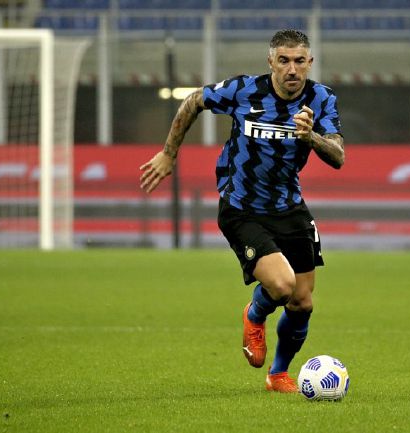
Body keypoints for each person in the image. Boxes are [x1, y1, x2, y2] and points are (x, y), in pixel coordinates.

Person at [139, 29, 344, 393]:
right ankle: (254, 313)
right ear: (271, 63)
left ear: (310, 63)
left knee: (302, 302)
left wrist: (310, 137)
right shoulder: (244, 90)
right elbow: (194, 101)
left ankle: (278, 374)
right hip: (241, 207)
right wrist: (169, 154)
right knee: (282, 285)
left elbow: (338, 157)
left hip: (289, 205)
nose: (292, 69)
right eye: (284, 61)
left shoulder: (322, 99)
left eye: (299, 61)